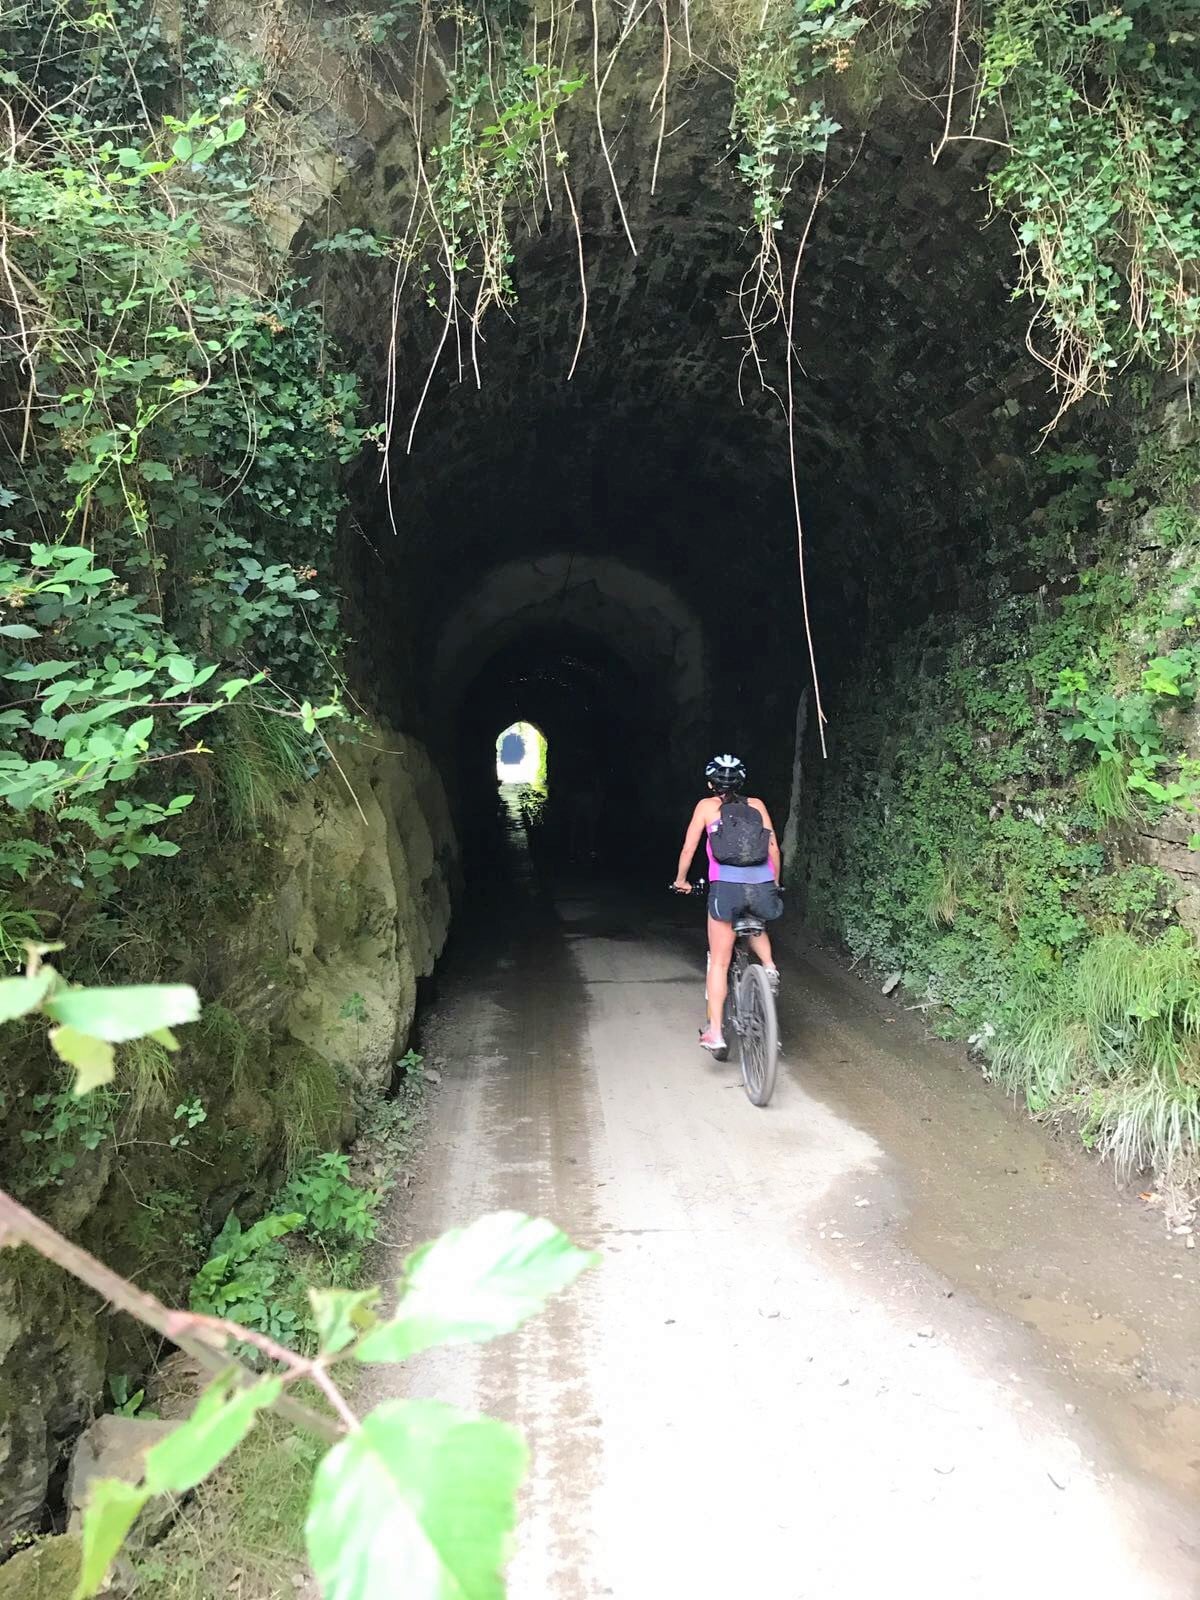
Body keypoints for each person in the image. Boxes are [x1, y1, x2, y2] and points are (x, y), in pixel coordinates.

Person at [672, 754, 782, 1053]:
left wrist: (681, 880)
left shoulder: (706, 807)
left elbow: (689, 848)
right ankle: (769, 968)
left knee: (720, 963)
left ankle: (716, 1033)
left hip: (726, 887)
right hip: (761, 886)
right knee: (755, 921)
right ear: (741, 783)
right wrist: (773, 883)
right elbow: (773, 848)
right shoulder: (757, 805)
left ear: (711, 784)